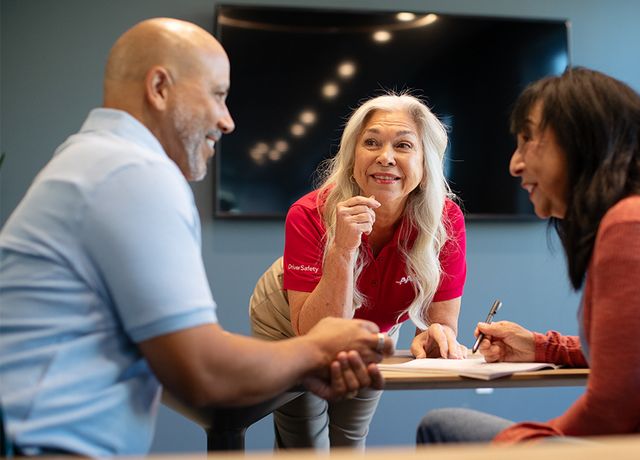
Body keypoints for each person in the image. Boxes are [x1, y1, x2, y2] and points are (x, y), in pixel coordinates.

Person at [0, 18, 393, 457]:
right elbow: (204, 372)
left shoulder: (95, 159)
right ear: (159, 88)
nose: (227, 121)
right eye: (218, 95)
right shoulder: (134, 172)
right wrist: (317, 349)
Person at [416, 67, 640, 444]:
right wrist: (542, 346)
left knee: (441, 426)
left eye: (528, 140)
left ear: (582, 141)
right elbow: (635, 355)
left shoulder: (636, 225)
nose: (514, 164)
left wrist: (514, 443)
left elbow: (611, 411)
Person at [249, 93, 468, 450]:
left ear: (426, 163)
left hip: (372, 324)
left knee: (350, 436)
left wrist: (434, 336)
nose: (385, 157)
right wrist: (343, 248)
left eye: (403, 145)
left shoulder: (446, 220)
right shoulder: (307, 214)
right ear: (352, 158)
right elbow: (314, 333)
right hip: (289, 319)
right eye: (371, 143)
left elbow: (440, 323)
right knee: (305, 441)